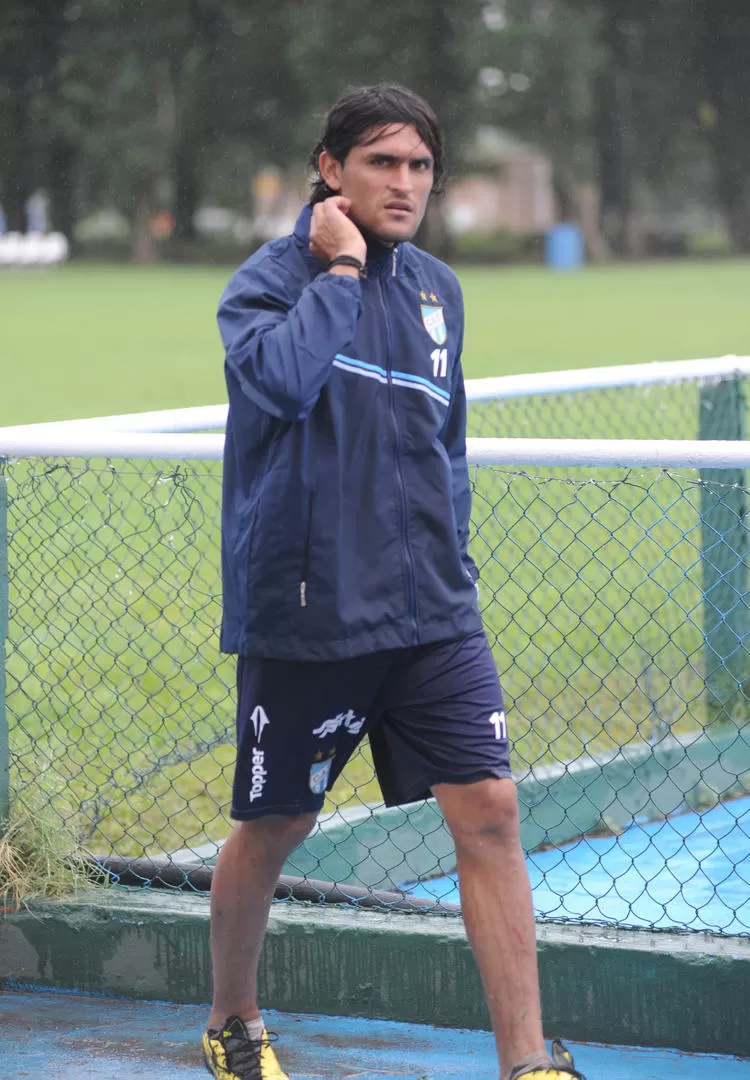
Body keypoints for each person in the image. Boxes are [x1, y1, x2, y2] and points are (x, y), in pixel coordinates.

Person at [203, 84, 586, 1080]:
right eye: (382, 162)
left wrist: (450, 563)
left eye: (420, 166)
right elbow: (279, 386)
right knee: (275, 825)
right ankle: (232, 1019)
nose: (406, 183)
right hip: (310, 615)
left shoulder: (438, 294)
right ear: (331, 169)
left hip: (431, 614)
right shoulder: (268, 282)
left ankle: (527, 1063)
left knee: (492, 811)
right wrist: (338, 269)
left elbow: (444, 446)